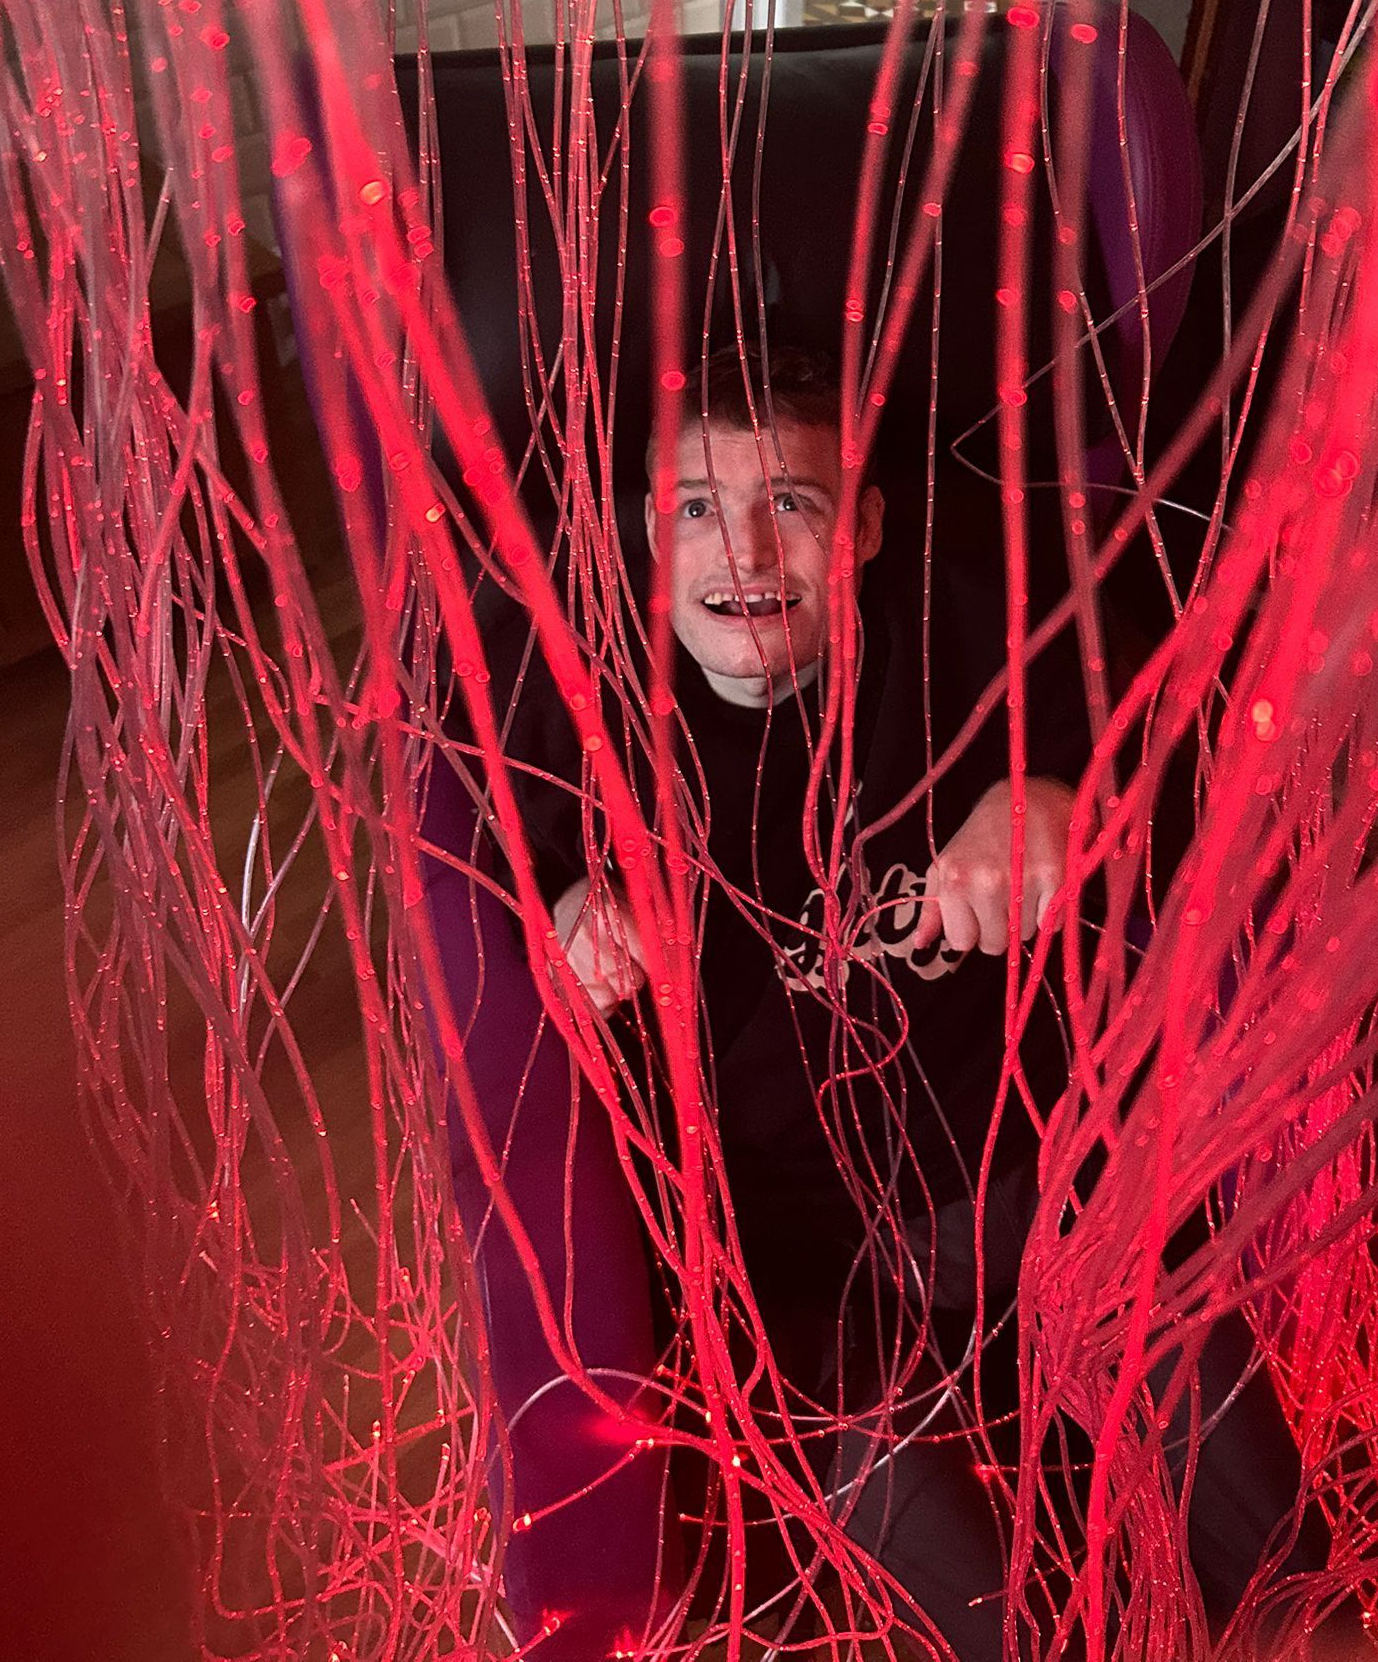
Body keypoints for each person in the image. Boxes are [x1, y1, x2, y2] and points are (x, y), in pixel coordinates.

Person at [493, 343, 1322, 1658]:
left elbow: (1184, 713)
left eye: (796, 501)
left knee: (1269, 1543)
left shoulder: (975, 630)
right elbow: (483, 872)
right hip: (812, 1269)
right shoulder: (575, 711)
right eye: (695, 508)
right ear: (641, 540)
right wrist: (563, 914)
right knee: (969, 1592)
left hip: (1047, 1191)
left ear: (867, 523)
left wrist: (1064, 801)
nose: (747, 552)